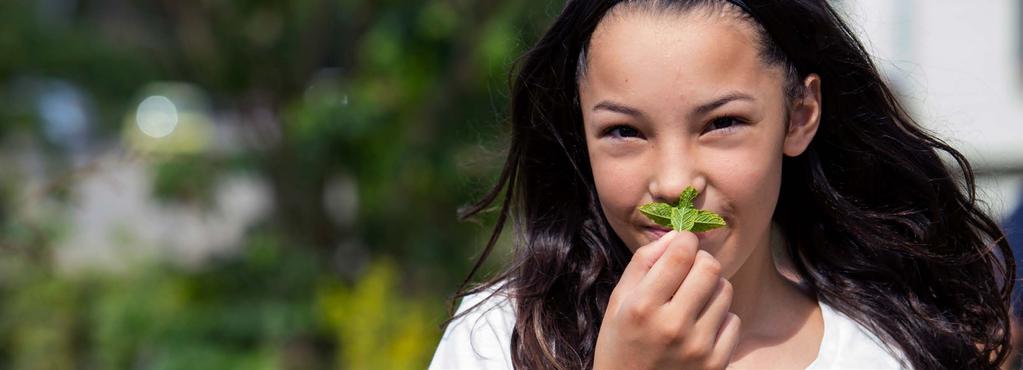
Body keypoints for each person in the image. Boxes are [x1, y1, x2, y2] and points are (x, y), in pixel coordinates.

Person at [429, 0, 1015, 369]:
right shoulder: (499, 339)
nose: (676, 183)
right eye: (624, 131)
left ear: (801, 114)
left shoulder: (887, 353)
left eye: (723, 124)